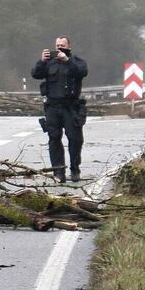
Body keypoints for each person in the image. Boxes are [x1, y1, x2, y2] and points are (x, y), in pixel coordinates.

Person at [31, 35, 89, 183]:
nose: (59, 48)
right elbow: (35, 74)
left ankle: (74, 168)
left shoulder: (77, 62)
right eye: (57, 46)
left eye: (62, 45)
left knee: (75, 140)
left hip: (71, 107)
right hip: (52, 107)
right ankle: (58, 171)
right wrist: (41, 61)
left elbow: (81, 72)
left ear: (69, 47)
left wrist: (67, 61)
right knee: (54, 139)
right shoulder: (49, 63)